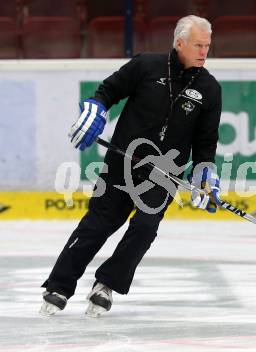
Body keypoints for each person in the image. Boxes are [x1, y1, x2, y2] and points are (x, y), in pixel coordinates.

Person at [40, 15, 222, 317]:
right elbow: (107, 90)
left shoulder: (209, 89)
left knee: (145, 228)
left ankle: (106, 284)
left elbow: (206, 142)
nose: (204, 51)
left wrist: (205, 173)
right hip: (122, 163)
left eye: (207, 46)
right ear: (179, 43)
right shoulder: (146, 65)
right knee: (97, 226)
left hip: (164, 175)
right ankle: (59, 285)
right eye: (198, 45)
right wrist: (95, 108)